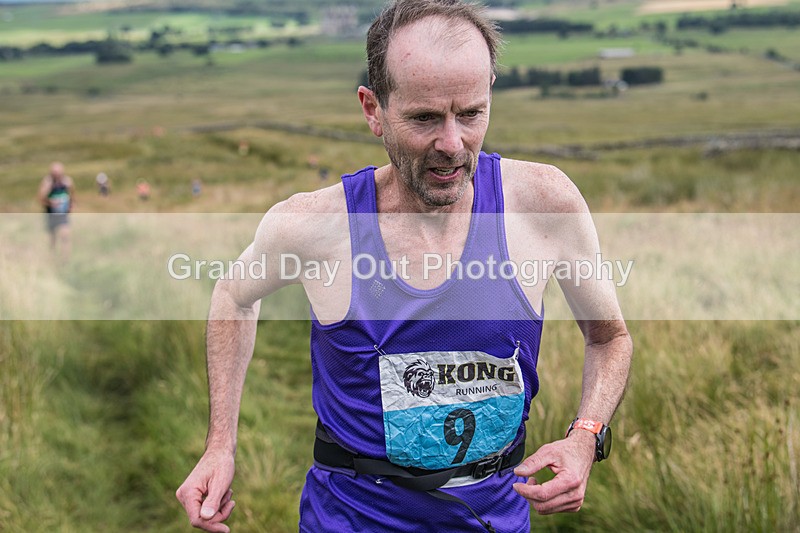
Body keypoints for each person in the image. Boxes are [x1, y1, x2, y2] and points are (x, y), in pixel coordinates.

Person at [175, 1, 633, 532]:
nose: (451, 144)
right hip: (349, 519)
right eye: (423, 118)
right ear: (373, 110)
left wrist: (586, 436)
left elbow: (609, 338)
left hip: (496, 521)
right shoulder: (314, 226)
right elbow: (234, 295)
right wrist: (219, 446)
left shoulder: (544, 204)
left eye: (471, 114)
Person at [38, 161, 75, 259]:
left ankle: (65, 259)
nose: (57, 175)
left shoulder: (67, 181)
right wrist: (51, 202)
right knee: (52, 238)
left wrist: (71, 205)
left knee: (65, 236)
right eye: (54, 173)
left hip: (63, 214)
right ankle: (52, 258)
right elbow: (41, 199)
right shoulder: (47, 182)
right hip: (51, 213)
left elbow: (72, 195)